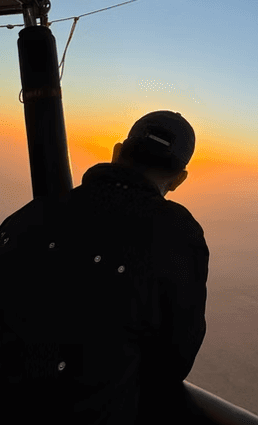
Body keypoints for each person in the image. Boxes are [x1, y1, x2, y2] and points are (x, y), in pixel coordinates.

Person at [0, 110, 209, 424]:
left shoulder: (33, 214)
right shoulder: (178, 234)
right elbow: (173, 362)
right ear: (179, 180)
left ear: (117, 152)